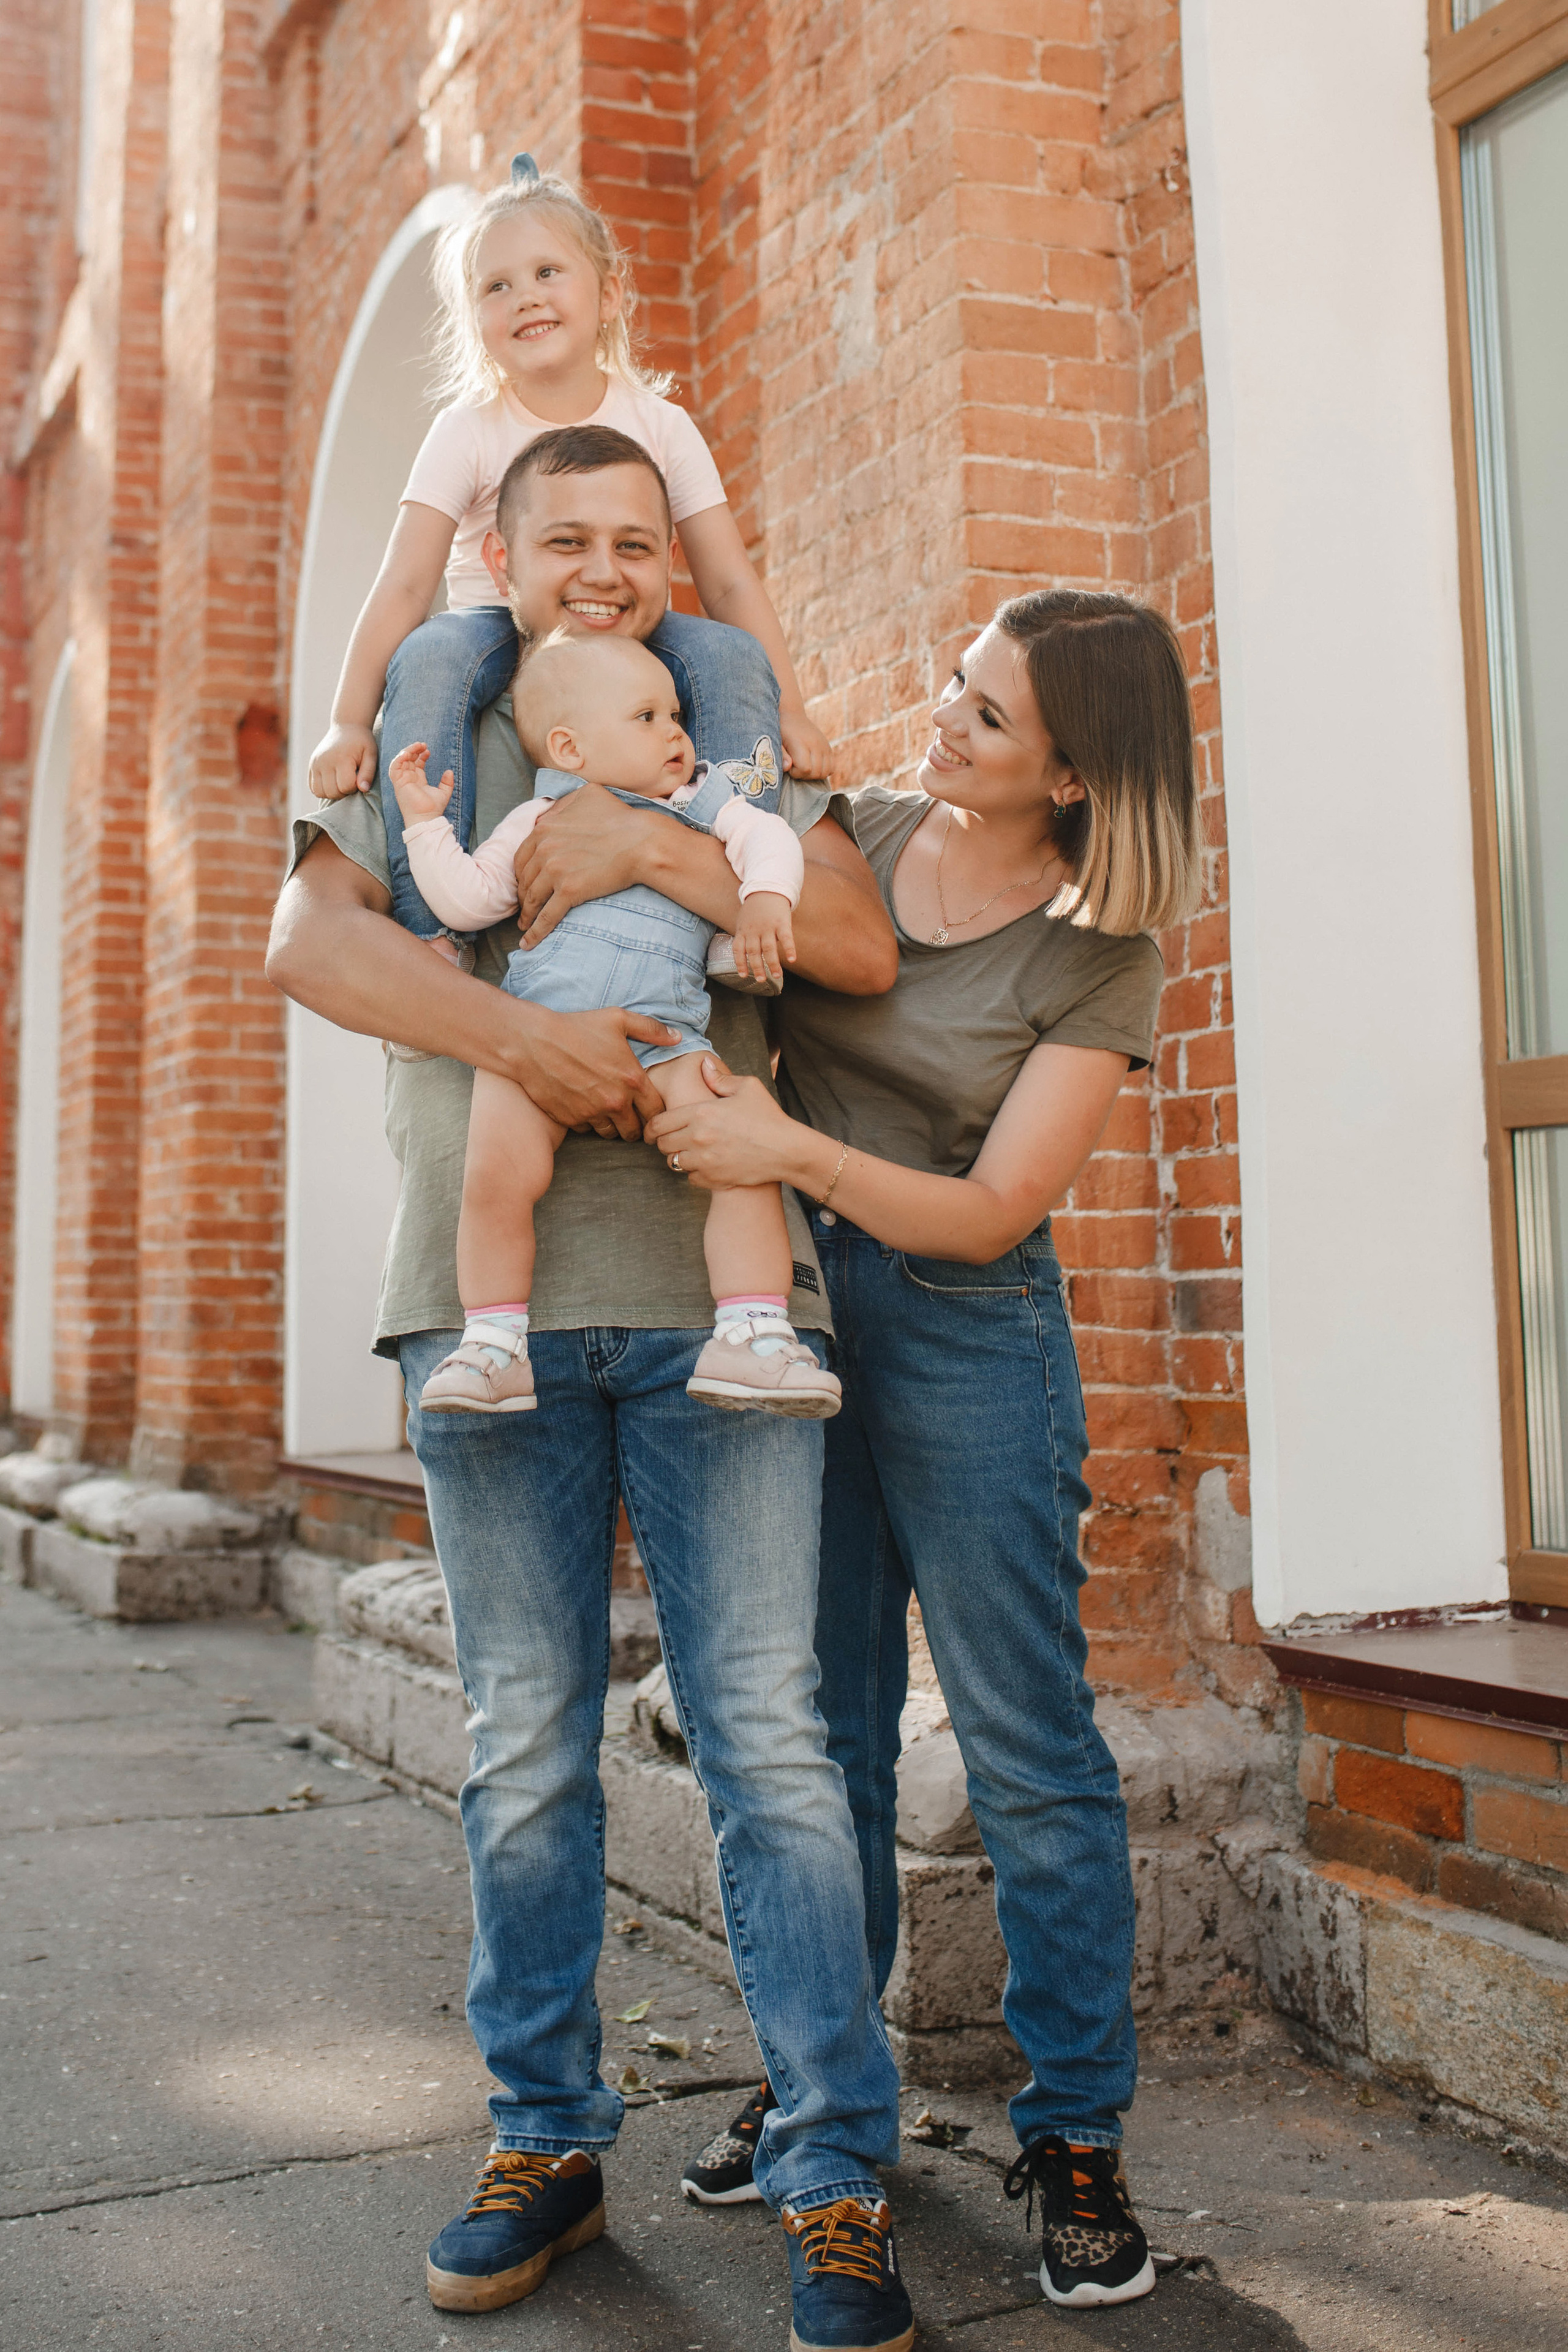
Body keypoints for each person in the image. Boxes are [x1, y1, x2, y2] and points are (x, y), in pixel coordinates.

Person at [268, 426, 920, 2352]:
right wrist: (520, 1054)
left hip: (723, 1303)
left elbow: (863, 943)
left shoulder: (706, 745)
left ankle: (833, 2169)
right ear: (504, 545)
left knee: (771, 1748)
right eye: (570, 538)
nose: (609, 567)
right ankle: (544, 2138)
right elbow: (312, 940)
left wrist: (653, 844)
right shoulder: (432, 736)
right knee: (528, 1746)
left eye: (640, 540)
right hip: (488, 1312)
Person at [647, 589, 1203, 2312]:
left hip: (969, 1340)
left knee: (1030, 1747)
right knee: (820, 1746)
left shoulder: (1097, 944)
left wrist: (784, 1146)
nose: (940, 720)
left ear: (1075, 775)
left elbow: (987, 1211)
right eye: (954, 682)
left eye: (987, 717)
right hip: (791, 1321)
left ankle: (1077, 2130)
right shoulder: (852, 839)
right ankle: (829, 2098)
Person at [306, 153, 831, 959]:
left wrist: (790, 706)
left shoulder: (660, 424)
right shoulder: (467, 429)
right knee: (431, 651)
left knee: (727, 654)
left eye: (549, 271)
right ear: (472, 319)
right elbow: (406, 581)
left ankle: (738, 889)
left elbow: (727, 579)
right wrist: (347, 719)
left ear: (610, 293)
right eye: (497, 286)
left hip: (627, 627)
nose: (527, 298)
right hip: (497, 622)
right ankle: (433, 929)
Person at [388, 626, 840, 1419]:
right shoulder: (537, 818)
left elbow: (766, 835)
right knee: (494, 1179)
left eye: (674, 713)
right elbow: (470, 900)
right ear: (571, 746)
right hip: (539, 1039)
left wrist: (766, 895)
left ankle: (754, 1333)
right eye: (646, 717)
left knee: (742, 1157)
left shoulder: (701, 802)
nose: (676, 733)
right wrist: (427, 827)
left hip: (669, 1039)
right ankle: (494, 1346)